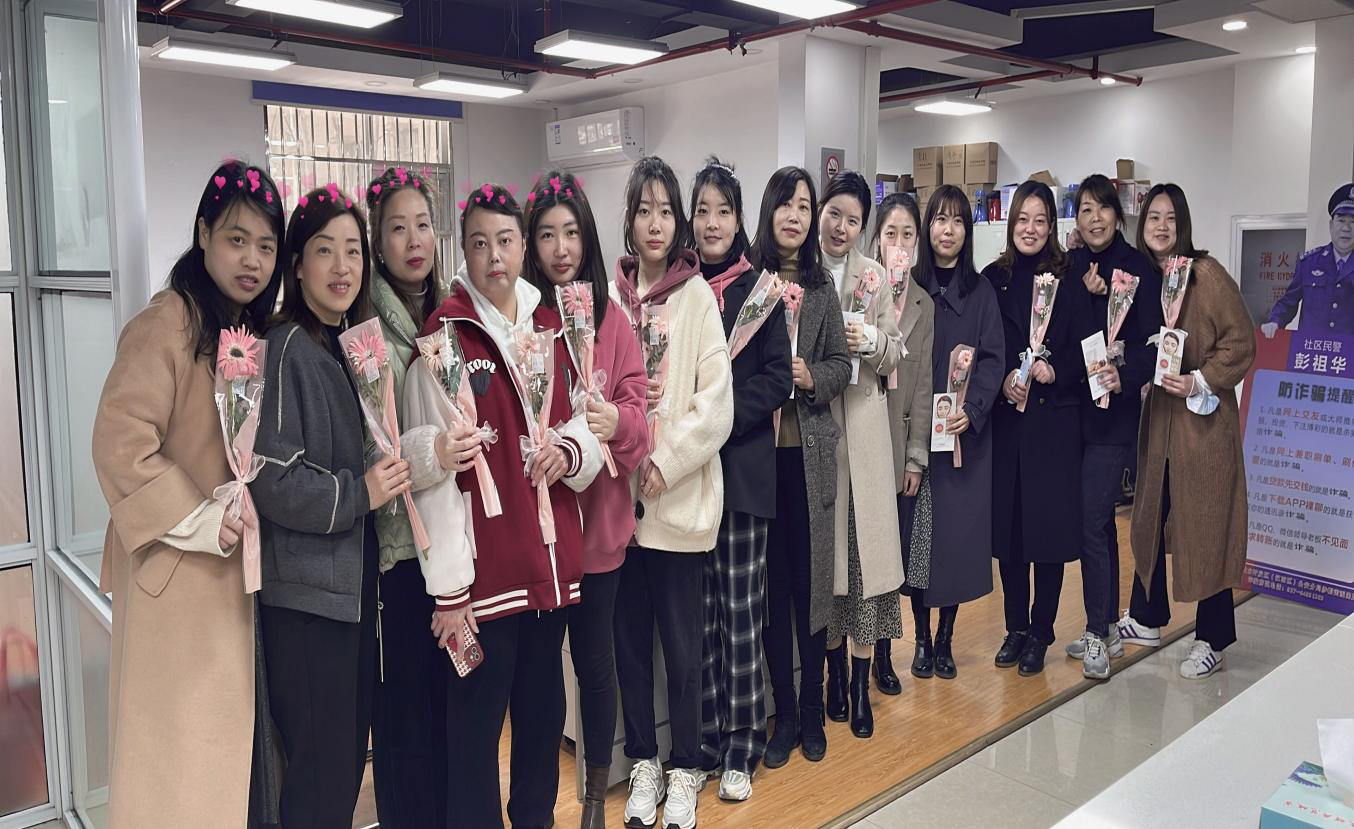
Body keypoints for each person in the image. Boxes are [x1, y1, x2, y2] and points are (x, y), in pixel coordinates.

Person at [404, 183, 604, 828]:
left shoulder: (551, 325)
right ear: (462, 251)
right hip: (484, 576)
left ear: (523, 247)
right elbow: (433, 478)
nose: (495, 256)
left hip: (548, 567)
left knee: (543, 723)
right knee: (474, 734)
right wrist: (449, 589)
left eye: (507, 241)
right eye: (480, 243)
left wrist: (569, 452)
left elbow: (585, 418)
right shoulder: (444, 339)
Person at [92, 161, 283, 829]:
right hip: (176, 584)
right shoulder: (167, 323)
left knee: (220, 773)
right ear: (203, 235)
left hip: (230, 582)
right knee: (174, 776)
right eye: (236, 239)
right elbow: (119, 443)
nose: (252, 260)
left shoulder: (244, 328)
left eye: (266, 245)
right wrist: (201, 517)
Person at [250, 186, 411, 829]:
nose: (343, 267)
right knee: (320, 780)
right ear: (297, 265)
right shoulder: (286, 347)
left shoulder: (340, 347)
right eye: (324, 251)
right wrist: (360, 491)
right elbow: (272, 479)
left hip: (345, 596)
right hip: (306, 607)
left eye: (353, 251)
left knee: (340, 772)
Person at [522, 169, 650, 829]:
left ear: (588, 239)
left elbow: (639, 419)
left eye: (571, 232)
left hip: (599, 531)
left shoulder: (612, 321)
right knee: (541, 674)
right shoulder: (521, 322)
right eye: (546, 234)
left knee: (596, 666)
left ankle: (596, 796)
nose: (560, 248)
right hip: (540, 536)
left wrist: (613, 422)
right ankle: (535, 801)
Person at [611, 157, 733, 829]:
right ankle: (644, 763)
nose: (654, 223)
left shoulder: (697, 298)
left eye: (665, 210)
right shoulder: (608, 297)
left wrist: (663, 460)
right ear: (629, 220)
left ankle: (686, 767)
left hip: (677, 507)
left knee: (684, 653)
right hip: (618, 514)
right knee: (630, 650)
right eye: (643, 210)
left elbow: (717, 406)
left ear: (677, 220)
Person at [692, 157, 793, 801]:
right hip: (688, 481)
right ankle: (704, 741)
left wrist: (720, 418)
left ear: (738, 220)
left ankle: (744, 742)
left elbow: (779, 378)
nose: (712, 223)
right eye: (702, 211)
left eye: (723, 211)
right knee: (700, 618)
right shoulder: (677, 291)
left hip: (743, 475)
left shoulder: (760, 292)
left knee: (741, 615)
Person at [1126, 183, 1256, 678]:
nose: (1161, 226)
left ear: (1184, 225)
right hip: (1160, 423)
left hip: (1203, 426)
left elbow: (1241, 342)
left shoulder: (1206, 274)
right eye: (1153, 217)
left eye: (1170, 218)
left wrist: (1200, 378)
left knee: (1207, 524)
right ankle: (1147, 617)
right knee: (1150, 515)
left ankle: (1213, 639)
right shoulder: (1146, 279)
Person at [363, 165, 450, 829]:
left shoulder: (447, 313)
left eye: (423, 224)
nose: (414, 239)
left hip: (452, 547)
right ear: (378, 241)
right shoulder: (367, 330)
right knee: (407, 720)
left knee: (453, 716)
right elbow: (378, 448)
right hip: (398, 553)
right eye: (398, 228)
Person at [759, 166, 852, 768]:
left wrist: (810, 376)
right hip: (760, 462)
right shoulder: (752, 284)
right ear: (769, 212)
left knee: (811, 590)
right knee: (773, 591)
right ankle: (785, 713)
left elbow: (842, 363)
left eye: (803, 206)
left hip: (810, 458)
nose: (794, 216)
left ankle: (813, 710)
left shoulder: (821, 288)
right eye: (786, 204)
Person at [983, 180, 1086, 678]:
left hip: (1053, 426)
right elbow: (986, 347)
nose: (1030, 229)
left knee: (1046, 534)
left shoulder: (1070, 279)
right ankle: (1015, 627)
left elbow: (1089, 349)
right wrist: (1003, 381)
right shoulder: (994, 278)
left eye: (1040, 220)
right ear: (1011, 224)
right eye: (1022, 219)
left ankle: (1042, 630)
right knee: (1011, 534)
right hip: (1008, 424)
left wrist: (1055, 371)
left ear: (1052, 226)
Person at [1061, 174, 1162, 677]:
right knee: (1096, 524)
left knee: (1091, 519)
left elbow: (1156, 343)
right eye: (1085, 209)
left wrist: (1127, 375)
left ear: (1117, 215)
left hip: (1114, 419)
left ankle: (1097, 633)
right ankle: (1105, 628)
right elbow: (1064, 331)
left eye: (1102, 208)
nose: (1094, 217)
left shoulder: (1138, 268)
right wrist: (1086, 295)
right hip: (1074, 414)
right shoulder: (1073, 265)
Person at [818, 171, 904, 739]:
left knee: (865, 566)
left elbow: (895, 354)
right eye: (834, 215)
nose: (841, 227)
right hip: (821, 435)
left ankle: (858, 685)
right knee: (828, 570)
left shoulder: (874, 276)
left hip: (866, 437)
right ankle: (832, 677)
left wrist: (870, 341)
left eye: (853, 220)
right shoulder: (799, 275)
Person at [906, 185, 1004, 680]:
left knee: (956, 543)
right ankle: (921, 638)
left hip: (962, 438)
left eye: (958, 221)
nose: (948, 230)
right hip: (917, 438)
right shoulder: (911, 286)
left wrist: (975, 406)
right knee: (918, 543)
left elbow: (993, 358)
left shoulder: (980, 292)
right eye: (940, 220)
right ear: (928, 229)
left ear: (968, 231)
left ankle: (945, 637)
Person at [871, 192, 934, 696]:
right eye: (890, 233)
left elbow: (924, 386)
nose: (898, 243)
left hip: (896, 445)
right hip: (859, 438)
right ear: (877, 239)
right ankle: (853, 653)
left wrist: (916, 457)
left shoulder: (923, 305)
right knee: (860, 555)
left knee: (892, 556)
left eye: (907, 234)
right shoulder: (861, 289)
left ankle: (883, 653)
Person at [1263, 183, 1354, 337]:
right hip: (1311, 349)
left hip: (1348, 351)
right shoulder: (1309, 263)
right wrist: (1275, 321)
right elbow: (1289, 302)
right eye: (1341, 220)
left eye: (1353, 222)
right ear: (1331, 225)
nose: (1346, 228)